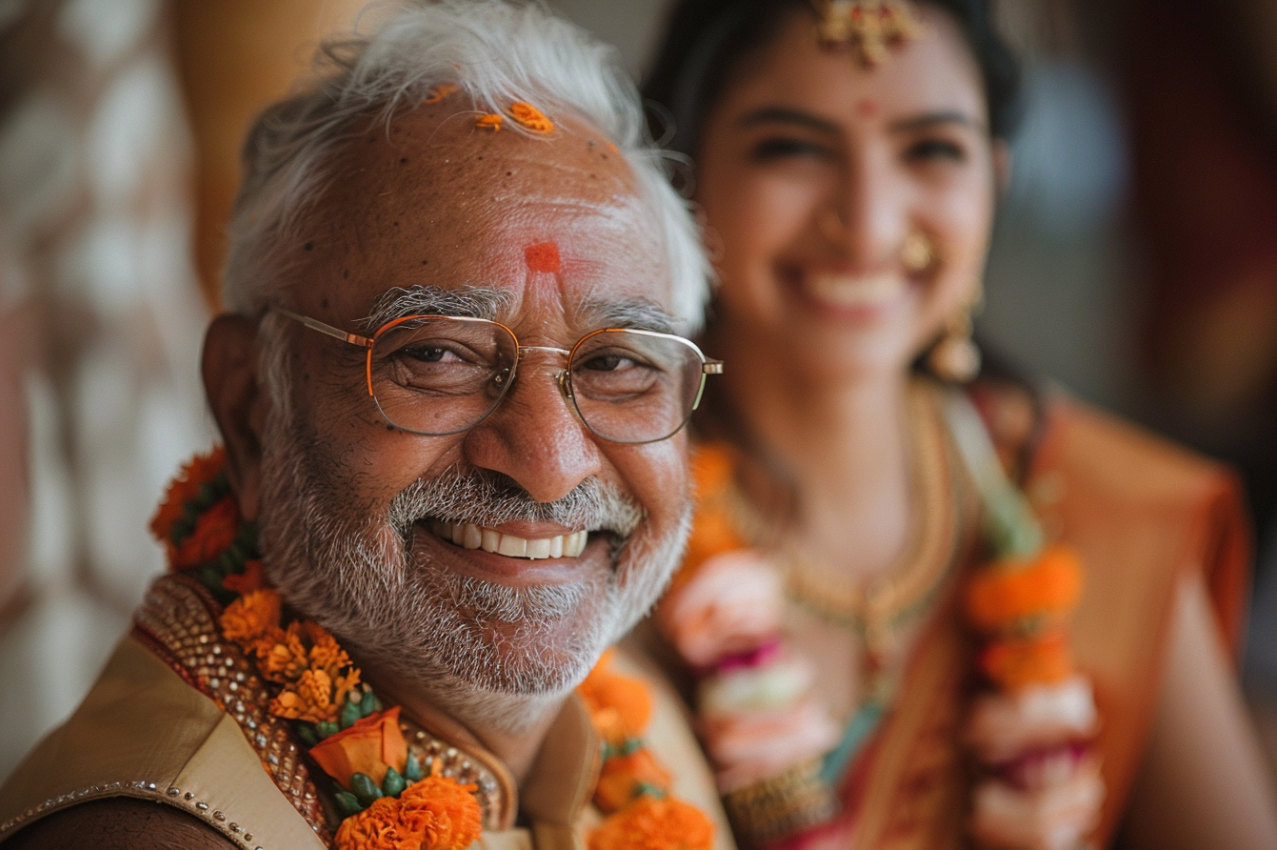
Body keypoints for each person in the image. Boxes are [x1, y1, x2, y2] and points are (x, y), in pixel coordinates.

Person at [0, 2, 736, 848]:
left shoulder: (636, 733)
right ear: (250, 404)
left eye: (616, 365)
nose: (549, 461)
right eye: (437, 356)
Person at [640, 1, 1277, 848]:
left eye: (931, 151)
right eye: (789, 147)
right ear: (682, 180)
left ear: (994, 183)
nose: (866, 222)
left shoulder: (1101, 508)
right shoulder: (608, 509)